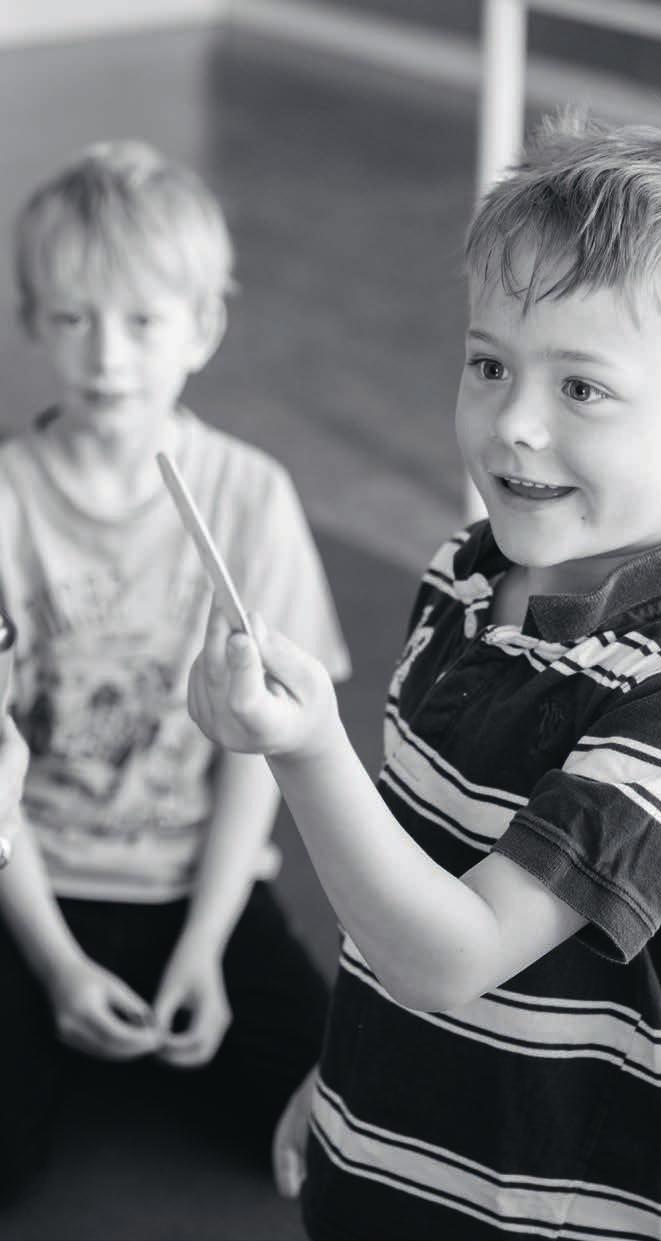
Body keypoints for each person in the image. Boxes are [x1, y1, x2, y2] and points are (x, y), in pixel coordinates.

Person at [188, 111, 661, 1240]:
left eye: (581, 389)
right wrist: (351, 1075)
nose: (511, 422)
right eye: (487, 363)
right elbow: (403, 886)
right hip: (390, 1163)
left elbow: (453, 955)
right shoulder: (463, 577)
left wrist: (307, 752)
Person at [0, 140, 350, 1199]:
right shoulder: (7, 501)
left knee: (334, 1135)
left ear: (202, 326)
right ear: (32, 322)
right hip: (29, 881)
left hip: (198, 882)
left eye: (143, 320)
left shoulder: (249, 495)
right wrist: (56, 963)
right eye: (72, 318)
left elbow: (265, 751)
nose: (107, 356)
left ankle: (156, 996)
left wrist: (202, 942)